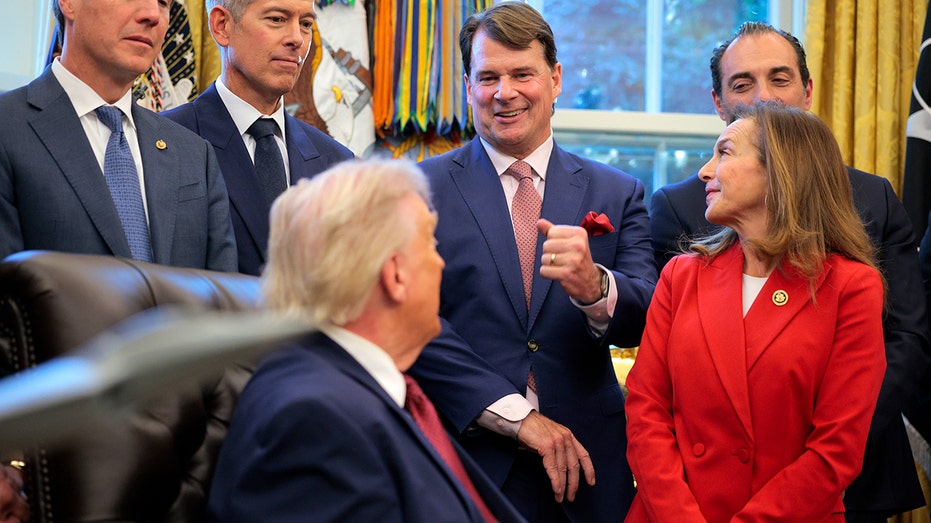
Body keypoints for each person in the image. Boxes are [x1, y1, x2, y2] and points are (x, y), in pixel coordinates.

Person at [649, 22, 930, 522]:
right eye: (743, 84)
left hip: (841, 488)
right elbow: (653, 401)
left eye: (779, 79)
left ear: (807, 89)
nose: (765, 96)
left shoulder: (868, 221)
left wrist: (838, 436)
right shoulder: (682, 234)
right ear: (718, 102)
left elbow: (906, 338)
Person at [408, 3, 656, 521]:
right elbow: (411, 324)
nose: (505, 92)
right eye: (488, 77)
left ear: (556, 78)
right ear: (468, 85)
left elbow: (648, 317)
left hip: (593, 467)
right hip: (467, 458)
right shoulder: (416, 189)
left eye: (523, 74)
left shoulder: (618, 191)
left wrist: (593, 288)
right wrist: (518, 418)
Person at [206, 159, 525, 523]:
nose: (441, 263)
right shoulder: (314, 419)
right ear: (395, 275)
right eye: (430, 244)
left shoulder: (355, 389)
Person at [627, 101, 886, 523]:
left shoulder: (851, 288)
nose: (704, 172)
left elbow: (836, 451)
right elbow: (646, 412)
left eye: (724, 152)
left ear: (779, 170)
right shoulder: (680, 276)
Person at [0, 0, 237, 271]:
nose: (152, 15)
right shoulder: (7, 129)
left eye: (163, 3)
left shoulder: (195, 156)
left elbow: (221, 304)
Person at [162, 0, 353, 276]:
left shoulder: (337, 162)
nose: (297, 39)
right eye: (277, 19)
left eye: (306, 24)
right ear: (222, 25)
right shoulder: (168, 144)